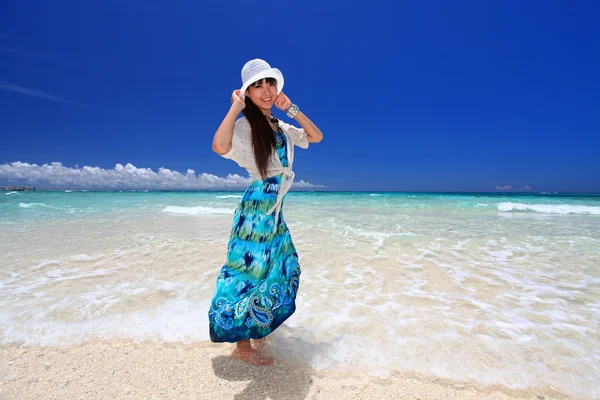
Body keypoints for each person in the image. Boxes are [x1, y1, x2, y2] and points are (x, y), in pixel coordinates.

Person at [209, 59, 323, 365]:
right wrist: (235, 107)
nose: (265, 90)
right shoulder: (246, 126)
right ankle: (241, 345)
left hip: (274, 211)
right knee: (244, 273)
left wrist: (292, 109)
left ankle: (257, 327)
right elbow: (220, 146)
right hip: (256, 210)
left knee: (283, 267)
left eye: (269, 83)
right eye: (257, 85)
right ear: (247, 92)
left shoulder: (281, 127)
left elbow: (316, 136)